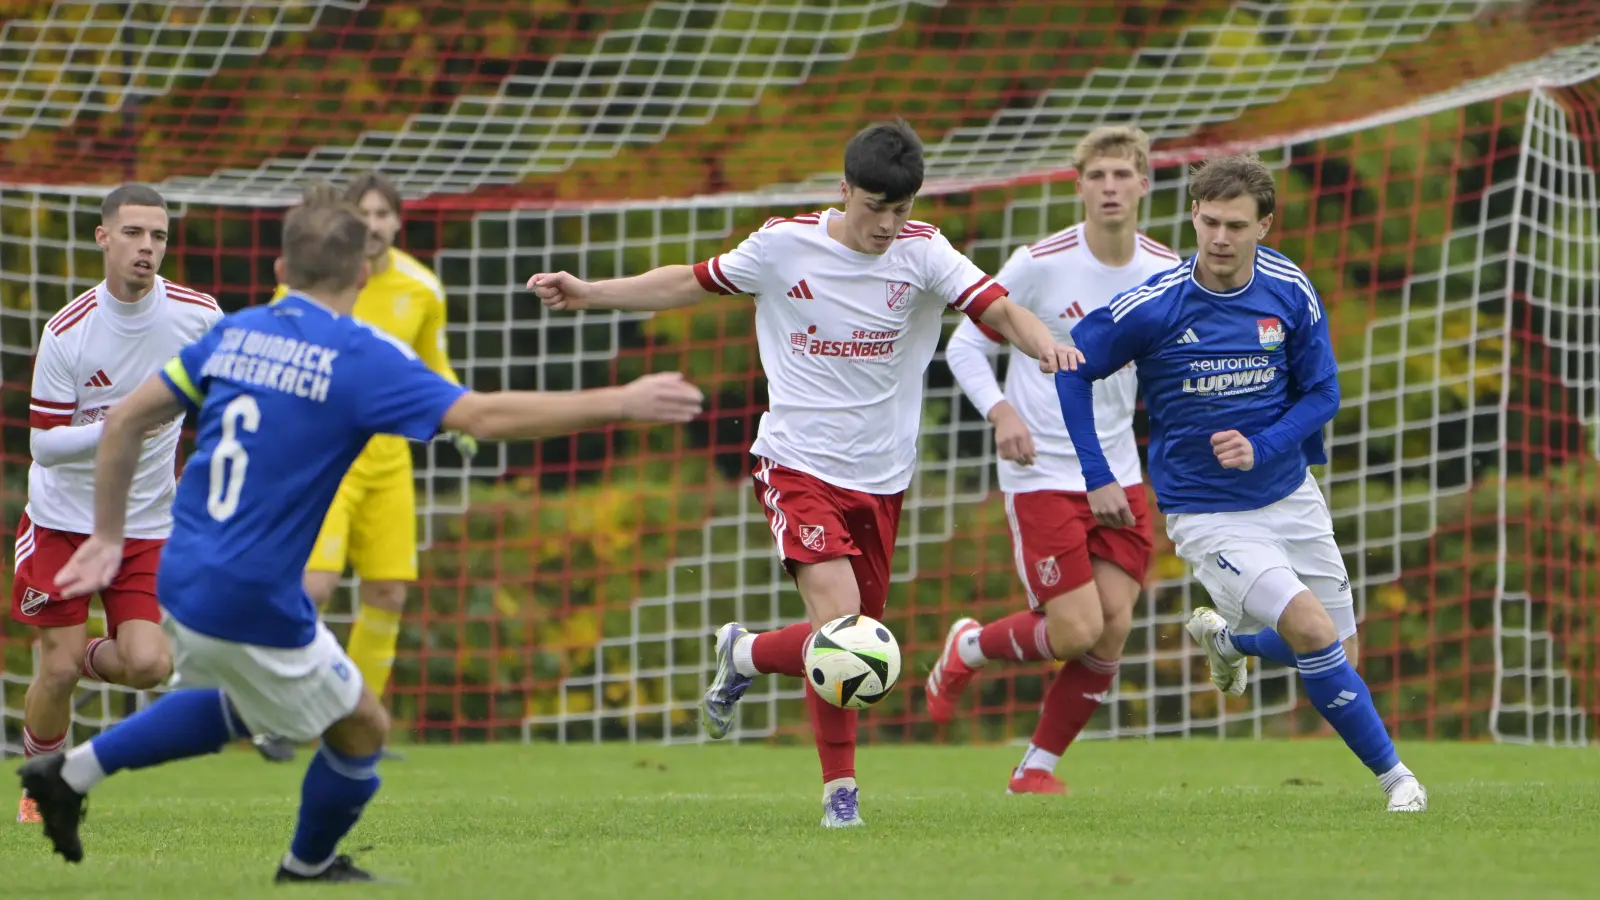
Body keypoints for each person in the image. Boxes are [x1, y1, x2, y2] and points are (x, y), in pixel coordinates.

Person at [18, 184, 706, 879]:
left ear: (282, 272)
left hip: (186, 567)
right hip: (250, 589)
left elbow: (129, 419)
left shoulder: (237, 329)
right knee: (363, 728)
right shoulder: (359, 358)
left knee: (242, 703)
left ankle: (67, 775)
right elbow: (483, 418)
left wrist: (107, 536)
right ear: (364, 274)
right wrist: (621, 399)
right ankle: (308, 865)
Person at [527, 119, 1082, 828]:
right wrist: (591, 292)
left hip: (883, 477)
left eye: (900, 209)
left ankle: (747, 652)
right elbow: (690, 283)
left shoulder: (924, 253)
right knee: (848, 633)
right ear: (843, 190)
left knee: (852, 641)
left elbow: (997, 307)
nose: (886, 224)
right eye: (873, 205)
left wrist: (1044, 348)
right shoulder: (784, 246)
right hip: (796, 464)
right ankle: (839, 796)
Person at [1054, 152, 1427, 812]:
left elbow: (1323, 391)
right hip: (1207, 512)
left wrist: (1264, 446)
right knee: (1312, 630)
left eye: (1235, 225)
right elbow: (1073, 368)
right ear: (1193, 217)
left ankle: (1230, 640)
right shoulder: (1157, 305)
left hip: (1290, 494)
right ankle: (1400, 782)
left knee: (1339, 649)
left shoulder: (1289, 290)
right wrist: (1097, 475)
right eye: (1208, 222)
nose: (1220, 239)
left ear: (1265, 226)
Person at [927, 126, 1179, 794]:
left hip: (1117, 468)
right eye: (1097, 177)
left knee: (1113, 627)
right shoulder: (1039, 262)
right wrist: (1001, 412)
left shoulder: (1165, 271)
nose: (1110, 188)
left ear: (1145, 185)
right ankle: (969, 647)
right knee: (1074, 630)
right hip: (1040, 467)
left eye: (1123, 175)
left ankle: (1036, 769)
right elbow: (964, 346)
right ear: (1079, 187)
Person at [12, 183, 222, 823]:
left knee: (149, 663)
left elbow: (234, 396)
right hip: (63, 525)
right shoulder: (68, 331)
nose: (147, 248)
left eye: (158, 236)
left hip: (147, 525)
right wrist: (126, 422)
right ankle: (39, 786)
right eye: (133, 233)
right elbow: (44, 445)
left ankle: (77, 653)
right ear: (104, 237)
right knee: (56, 672)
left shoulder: (199, 316)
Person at [252, 172, 470, 764]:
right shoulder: (314, 278)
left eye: (383, 214)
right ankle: (277, 716)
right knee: (313, 587)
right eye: (363, 214)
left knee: (389, 593)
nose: (373, 225)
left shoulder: (422, 288)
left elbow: (434, 369)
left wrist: (463, 415)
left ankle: (358, 724)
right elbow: (276, 352)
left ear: (398, 223)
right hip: (323, 462)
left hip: (388, 463)